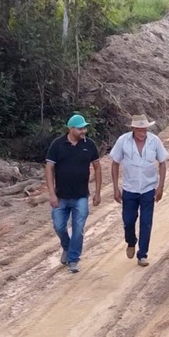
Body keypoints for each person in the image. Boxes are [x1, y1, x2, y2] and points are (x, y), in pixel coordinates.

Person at [45, 113, 101, 274]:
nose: (84, 131)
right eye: (80, 128)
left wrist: (97, 192)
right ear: (71, 129)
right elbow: (49, 168)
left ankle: (73, 259)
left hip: (81, 196)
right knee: (59, 227)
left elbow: (97, 167)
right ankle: (67, 247)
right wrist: (51, 193)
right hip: (61, 196)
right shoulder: (57, 145)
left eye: (84, 128)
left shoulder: (89, 145)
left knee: (78, 229)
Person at [110, 114, 168, 266]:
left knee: (146, 222)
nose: (143, 133)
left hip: (148, 188)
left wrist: (160, 186)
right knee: (128, 221)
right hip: (129, 188)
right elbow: (115, 163)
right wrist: (115, 187)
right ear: (134, 129)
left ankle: (142, 254)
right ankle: (131, 241)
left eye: (145, 129)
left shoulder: (154, 141)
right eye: (140, 130)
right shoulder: (123, 141)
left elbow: (163, 162)